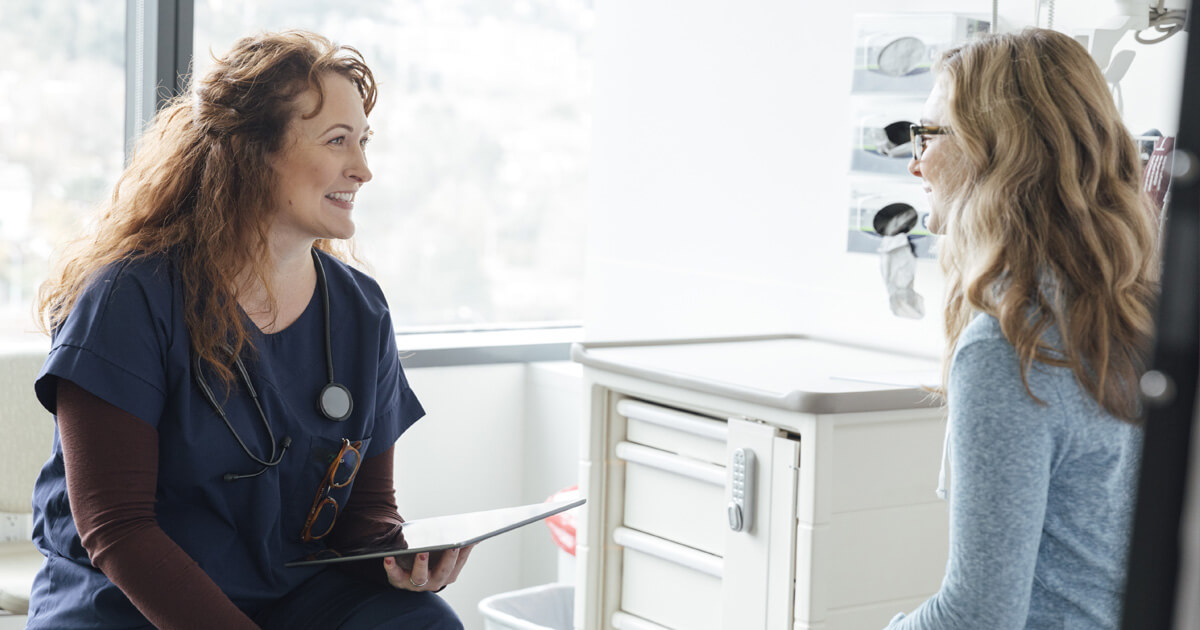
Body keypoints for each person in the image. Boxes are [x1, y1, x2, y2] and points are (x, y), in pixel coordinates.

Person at [28, 30, 468, 629]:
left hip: (294, 596)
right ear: (254, 153)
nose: (362, 169)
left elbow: (365, 512)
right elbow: (117, 528)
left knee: (426, 622)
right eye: (338, 141)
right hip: (128, 602)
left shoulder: (360, 311)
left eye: (363, 142)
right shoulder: (131, 297)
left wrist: (401, 553)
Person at [888, 28, 1159, 628]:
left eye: (929, 135)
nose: (915, 162)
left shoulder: (1011, 343)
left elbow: (977, 618)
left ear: (996, 150)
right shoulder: (1135, 311)